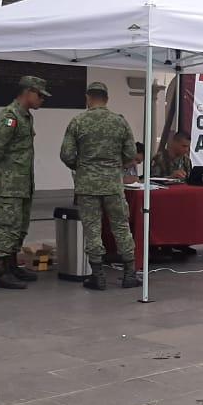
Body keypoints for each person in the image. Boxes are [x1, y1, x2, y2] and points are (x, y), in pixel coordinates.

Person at [60, 81, 140, 291]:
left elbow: (66, 154)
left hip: (87, 185)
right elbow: (131, 154)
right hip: (113, 184)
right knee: (121, 227)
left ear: (88, 97)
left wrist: (83, 167)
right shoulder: (119, 122)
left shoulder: (78, 121)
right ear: (107, 98)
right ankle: (129, 274)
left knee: (92, 229)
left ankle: (98, 276)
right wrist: (114, 165)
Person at [0, 75, 47, 290]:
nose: (42, 100)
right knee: (7, 226)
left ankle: (11, 266)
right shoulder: (9, 117)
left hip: (23, 182)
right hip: (10, 183)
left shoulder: (26, 117)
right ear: (27, 92)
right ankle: (0, 271)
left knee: (19, 227)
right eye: (39, 95)